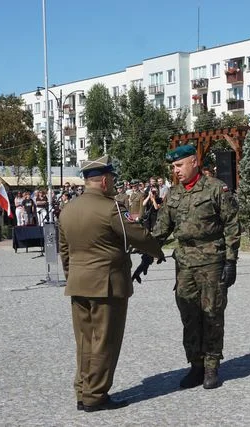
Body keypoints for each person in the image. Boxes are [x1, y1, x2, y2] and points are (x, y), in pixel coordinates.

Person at [59, 155, 164, 412]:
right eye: (113, 180)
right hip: (107, 285)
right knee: (105, 340)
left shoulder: (67, 209)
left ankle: (83, 391)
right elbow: (138, 235)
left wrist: (73, 275)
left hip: (78, 284)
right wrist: (157, 250)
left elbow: (65, 251)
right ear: (104, 181)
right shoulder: (111, 209)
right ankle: (96, 396)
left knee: (84, 341)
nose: (114, 185)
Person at [152, 144, 240, 390]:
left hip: (211, 260)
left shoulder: (216, 189)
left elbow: (232, 224)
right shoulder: (175, 194)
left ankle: (212, 366)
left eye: (179, 165)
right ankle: (196, 365)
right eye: (173, 167)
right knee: (189, 314)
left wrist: (231, 260)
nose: (176, 170)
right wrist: (147, 251)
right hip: (184, 263)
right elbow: (161, 229)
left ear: (194, 162)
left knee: (212, 314)